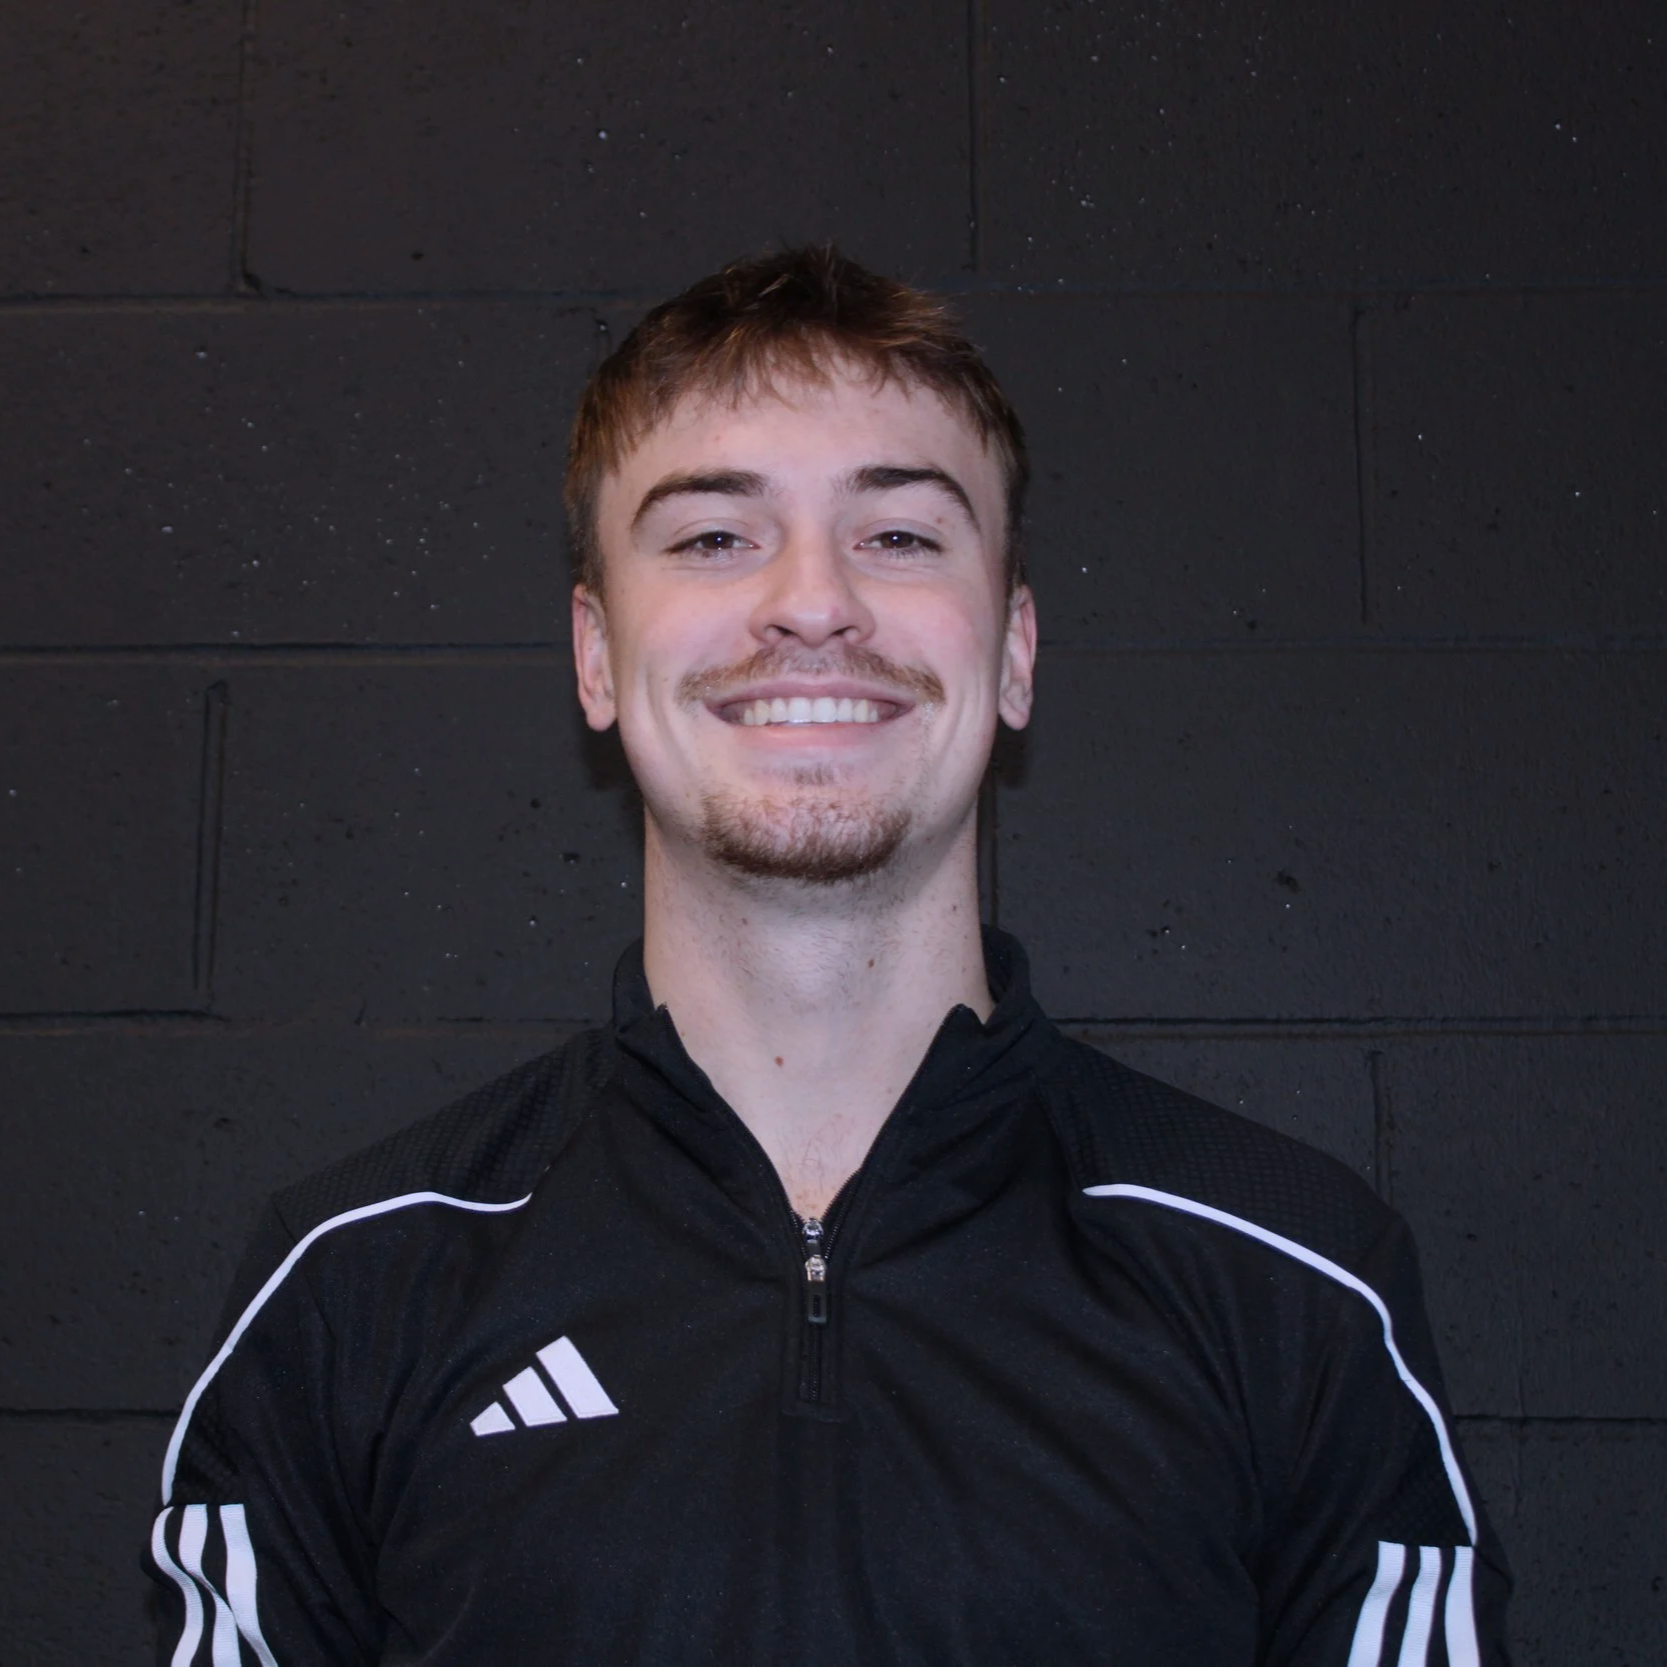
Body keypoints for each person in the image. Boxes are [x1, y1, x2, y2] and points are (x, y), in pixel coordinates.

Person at [145, 246, 1511, 1665]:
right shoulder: (352, 1287)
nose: (811, 602)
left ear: (1018, 649)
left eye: (902, 535)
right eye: (713, 537)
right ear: (596, 657)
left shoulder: (1291, 1283)